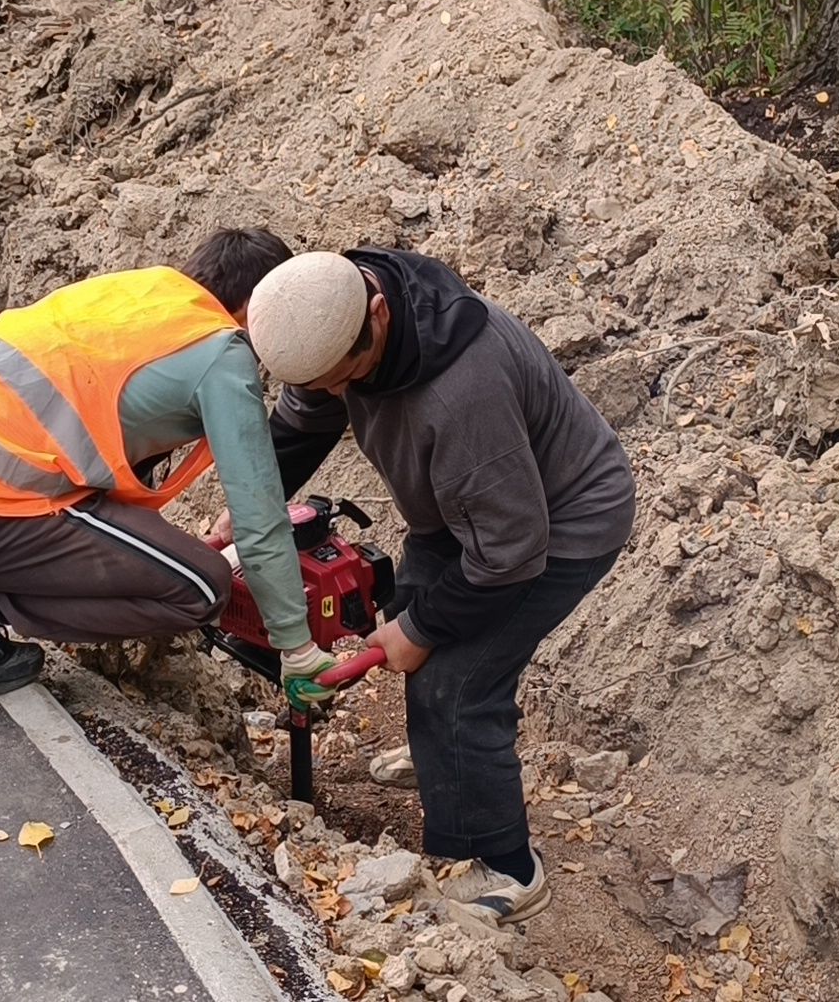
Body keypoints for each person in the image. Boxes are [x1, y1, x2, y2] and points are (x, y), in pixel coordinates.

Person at [240, 246, 635, 925]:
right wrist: (247, 506)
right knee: (409, 612)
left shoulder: (463, 392)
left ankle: (509, 868)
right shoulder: (328, 313)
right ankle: (446, 764)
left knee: (457, 683)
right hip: (467, 514)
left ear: (378, 314)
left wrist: (421, 632)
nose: (332, 395)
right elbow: (305, 421)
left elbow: (509, 553)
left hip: (556, 527)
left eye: (344, 381)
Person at [0, 229, 338, 702]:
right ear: (256, 306)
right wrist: (296, 647)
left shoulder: (134, 293)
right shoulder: (221, 348)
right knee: (202, 587)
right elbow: (260, 520)